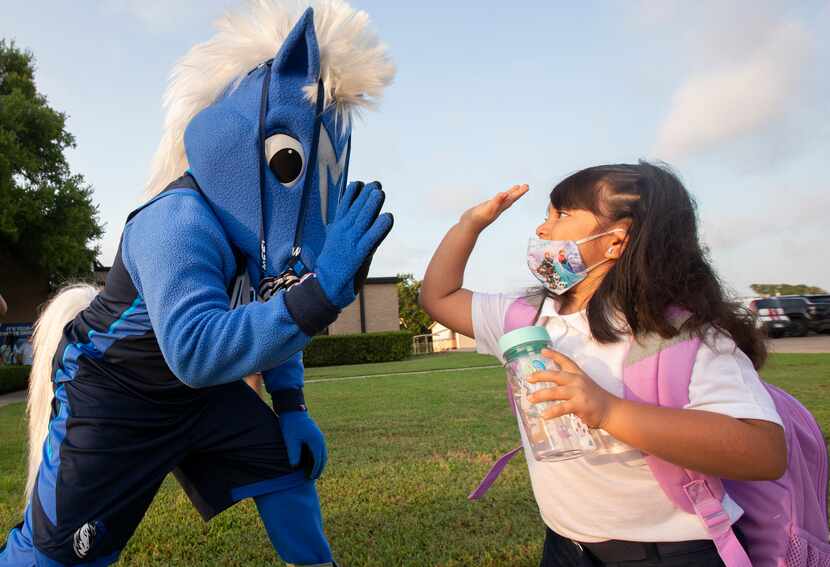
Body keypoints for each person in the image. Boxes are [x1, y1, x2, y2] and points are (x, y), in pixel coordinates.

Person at [0, 2, 394, 565]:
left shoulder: (250, 236)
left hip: (199, 396)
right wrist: (319, 295)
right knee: (56, 554)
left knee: (284, 467)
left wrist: (290, 402)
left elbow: (271, 307)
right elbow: (196, 349)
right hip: (118, 396)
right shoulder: (175, 222)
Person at [420, 162, 786, 566]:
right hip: (566, 547)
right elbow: (439, 296)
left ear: (616, 240)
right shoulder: (527, 317)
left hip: (671, 552)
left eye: (560, 215)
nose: (542, 231)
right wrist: (469, 224)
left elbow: (764, 452)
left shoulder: (682, 335)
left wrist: (607, 409)